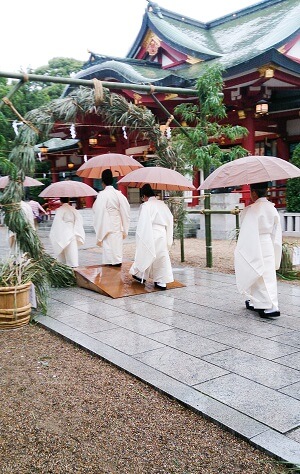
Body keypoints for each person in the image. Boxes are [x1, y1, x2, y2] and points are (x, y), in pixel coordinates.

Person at [234, 182, 282, 318]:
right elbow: (276, 232)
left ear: (253, 193)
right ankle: (266, 303)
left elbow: (246, 229)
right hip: (268, 243)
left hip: (254, 242)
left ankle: (266, 306)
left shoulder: (252, 209)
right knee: (268, 274)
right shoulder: (272, 209)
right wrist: (275, 247)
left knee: (256, 270)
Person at [129, 183, 174, 290]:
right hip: (162, 233)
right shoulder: (162, 204)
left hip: (150, 232)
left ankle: (141, 275)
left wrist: (141, 237)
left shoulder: (146, 206)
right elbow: (170, 219)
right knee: (161, 256)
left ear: (144, 196)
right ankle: (161, 281)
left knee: (147, 252)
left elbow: (143, 224)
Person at [93, 169, 130, 267]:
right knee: (117, 246)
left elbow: (97, 210)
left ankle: (110, 265)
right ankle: (118, 263)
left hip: (106, 224)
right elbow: (126, 210)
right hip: (117, 223)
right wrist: (124, 224)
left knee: (108, 247)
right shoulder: (119, 194)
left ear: (102, 182)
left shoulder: (102, 195)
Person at [49, 197, 85, 268]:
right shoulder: (73, 209)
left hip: (63, 231)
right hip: (72, 230)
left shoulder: (60, 210)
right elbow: (79, 219)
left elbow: (57, 223)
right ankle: (73, 263)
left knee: (63, 247)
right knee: (72, 249)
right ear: (68, 200)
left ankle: (63, 264)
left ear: (60, 201)